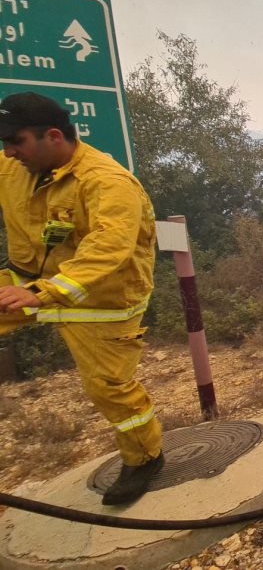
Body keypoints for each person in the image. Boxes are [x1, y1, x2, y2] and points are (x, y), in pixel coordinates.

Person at [0, 92, 162, 505]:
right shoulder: (16, 168)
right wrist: (33, 289)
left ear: (52, 136)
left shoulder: (108, 183)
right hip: (29, 283)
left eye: (15, 141)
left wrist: (43, 293)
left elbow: (108, 248)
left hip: (102, 302)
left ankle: (145, 458)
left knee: (109, 386)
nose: (9, 151)